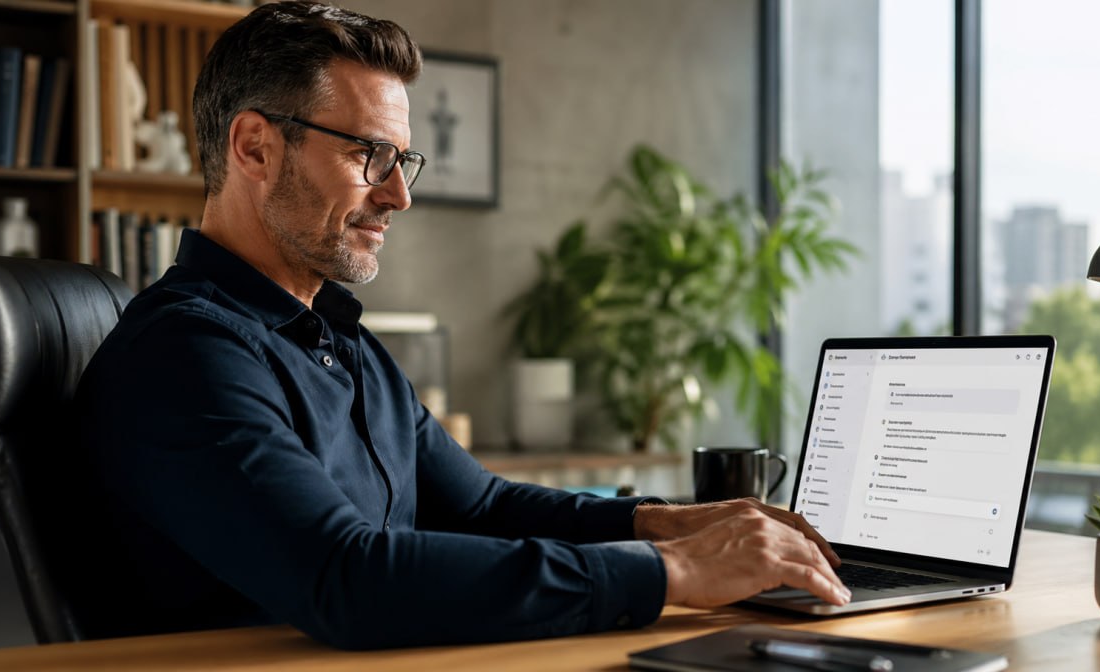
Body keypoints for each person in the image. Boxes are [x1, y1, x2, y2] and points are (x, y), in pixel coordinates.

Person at [72, 0, 849, 651]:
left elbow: (480, 508)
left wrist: (669, 522)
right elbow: (347, 580)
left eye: (402, 162)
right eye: (371, 155)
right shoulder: (186, 354)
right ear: (255, 147)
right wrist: (675, 574)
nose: (398, 197)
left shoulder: (343, 344)